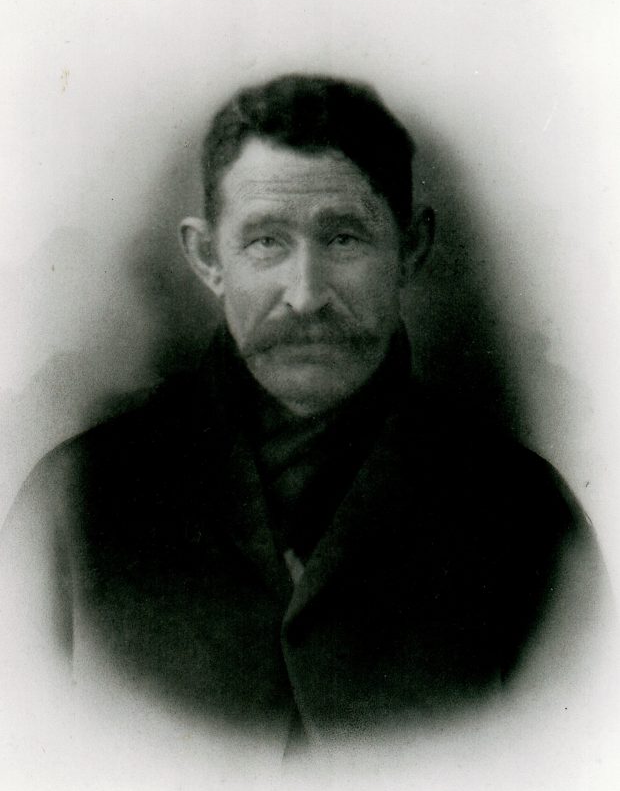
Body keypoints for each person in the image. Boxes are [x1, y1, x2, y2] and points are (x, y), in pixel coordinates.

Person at [1, 74, 606, 748]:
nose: (306, 294)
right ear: (208, 258)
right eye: (266, 241)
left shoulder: (529, 518)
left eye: (344, 238)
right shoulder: (69, 507)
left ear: (411, 250)